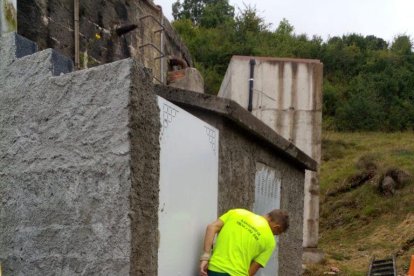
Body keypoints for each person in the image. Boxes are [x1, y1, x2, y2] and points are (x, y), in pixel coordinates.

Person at [199, 208, 289, 276]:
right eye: (276, 233)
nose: (274, 235)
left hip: (214, 270)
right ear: (276, 227)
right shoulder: (270, 241)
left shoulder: (237, 212)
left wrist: (206, 256)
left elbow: (211, 227)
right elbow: (252, 270)